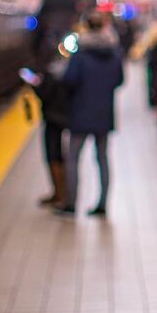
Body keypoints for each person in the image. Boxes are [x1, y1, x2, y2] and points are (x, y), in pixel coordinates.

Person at [55, 15, 125, 216]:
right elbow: (119, 80)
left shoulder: (80, 54)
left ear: (86, 27)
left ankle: (71, 203)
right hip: (104, 112)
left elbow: (69, 79)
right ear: (104, 26)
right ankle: (103, 203)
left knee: (73, 158)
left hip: (81, 111)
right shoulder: (114, 52)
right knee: (102, 158)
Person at [30, 0, 79, 207]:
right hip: (65, 102)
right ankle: (62, 193)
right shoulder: (75, 32)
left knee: (54, 147)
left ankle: (63, 194)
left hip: (54, 103)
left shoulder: (45, 35)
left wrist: (37, 85)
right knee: (61, 148)